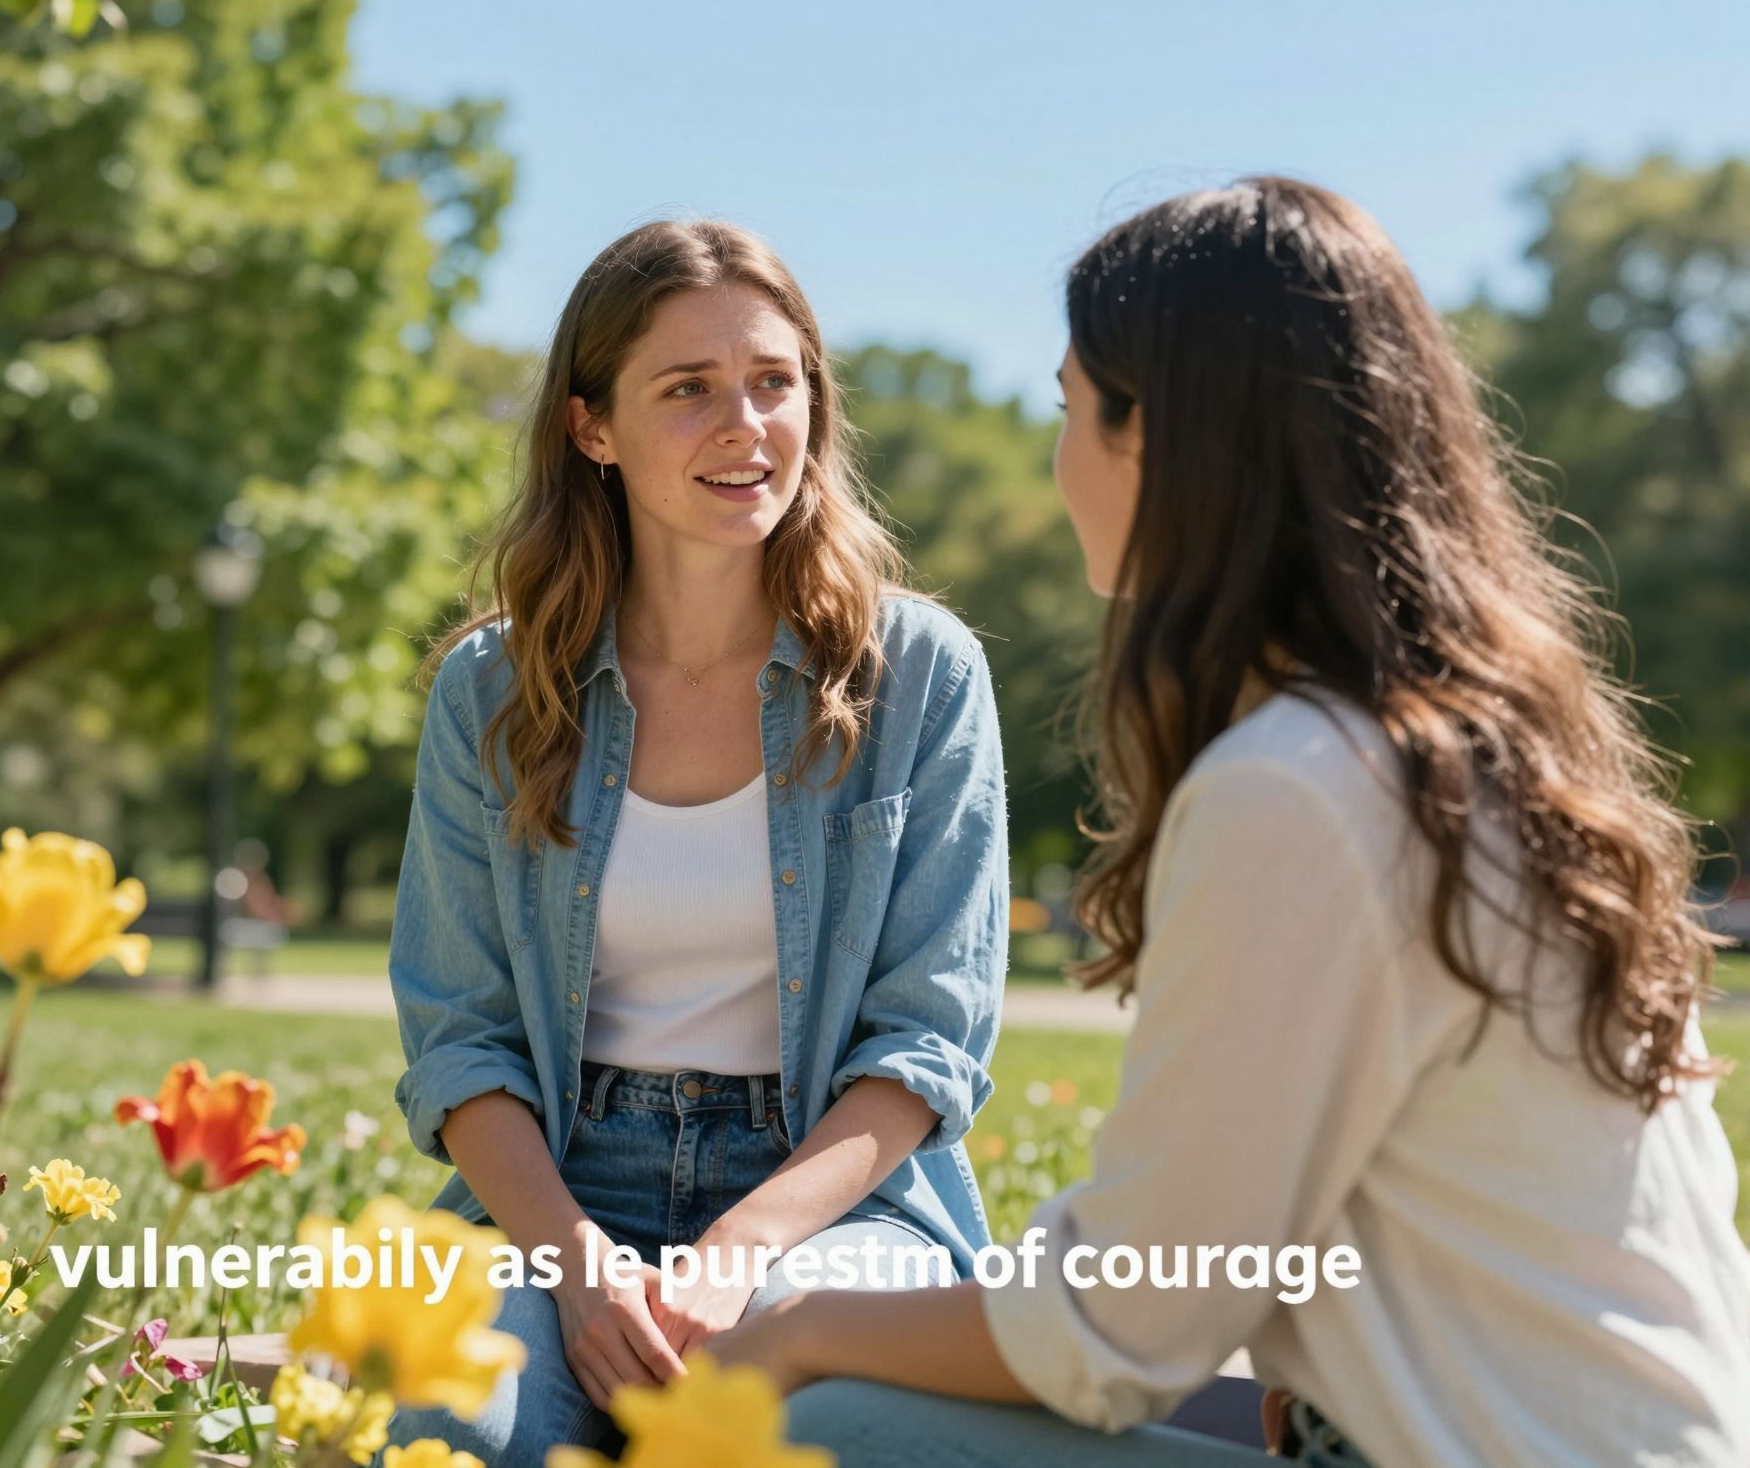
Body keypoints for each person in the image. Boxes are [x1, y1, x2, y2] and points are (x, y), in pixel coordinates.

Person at [706, 177, 1750, 1467]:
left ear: (1153, 438)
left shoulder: (1299, 785)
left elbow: (1118, 1327)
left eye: (1069, 410)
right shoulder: (1484, 740)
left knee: (829, 1423)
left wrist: (800, 1328)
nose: (1059, 458)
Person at [380, 220, 1010, 1465]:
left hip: (836, 1204)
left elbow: (928, 1042)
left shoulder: (920, 673)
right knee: (457, 1426)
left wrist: (741, 1250)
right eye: (688, 389)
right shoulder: (490, 689)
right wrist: (576, 1267)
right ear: (591, 429)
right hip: (560, 1192)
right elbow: (460, 1039)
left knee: (801, 1418)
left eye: (774, 381)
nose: (746, 425)